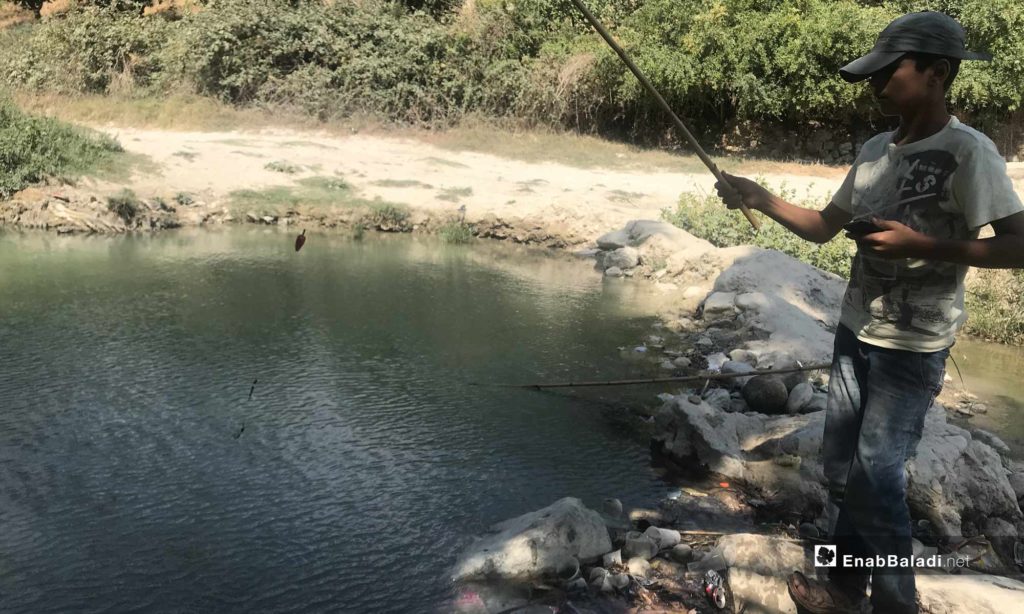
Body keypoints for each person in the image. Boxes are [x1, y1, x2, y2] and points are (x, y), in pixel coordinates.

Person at [715, 11, 1024, 614]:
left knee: (878, 477)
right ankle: (841, 585)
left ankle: (894, 604)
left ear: (936, 75)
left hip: (913, 348)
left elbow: (1019, 244)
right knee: (840, 472)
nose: (875, 85)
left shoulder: (970, 152)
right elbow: (824, 229)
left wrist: (924, 246)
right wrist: (758, 195)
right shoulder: (877, 150)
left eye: (888, 72)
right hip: (857, 332)